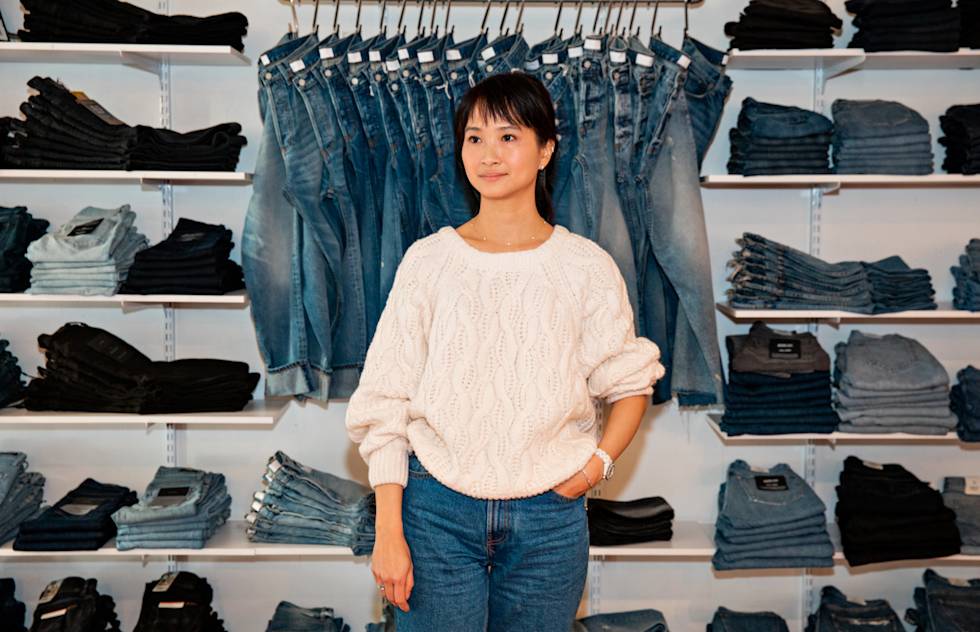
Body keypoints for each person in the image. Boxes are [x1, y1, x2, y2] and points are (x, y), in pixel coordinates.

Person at [345, 72, 665, 632]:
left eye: (509, 137)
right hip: (435, 512)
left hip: (550, 518)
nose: (489, 154)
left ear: (546, 150)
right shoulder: (429, 261)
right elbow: (384, 403)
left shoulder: (585, 266)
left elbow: (631, 381)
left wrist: (596, 468)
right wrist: (389, 532)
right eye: (474, 138)